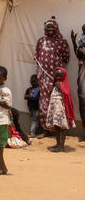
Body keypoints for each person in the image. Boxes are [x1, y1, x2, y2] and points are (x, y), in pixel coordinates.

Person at [35, 19, 72, 151]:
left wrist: (57, 75)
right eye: (47, 28)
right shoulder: (41, 41)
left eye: (52, 28)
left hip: (57, 80)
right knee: (44, 104)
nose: (49, 30)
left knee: (58, 107)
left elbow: (66, 58)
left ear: (56, 28)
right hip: (44, 77)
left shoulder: (62, 42)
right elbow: (37, 57)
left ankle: (59, 138)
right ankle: (46, 130)